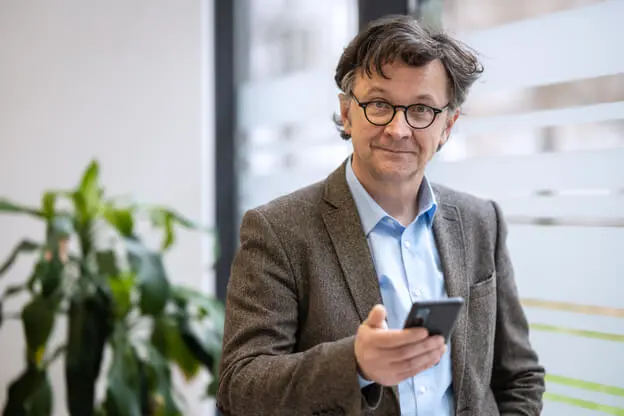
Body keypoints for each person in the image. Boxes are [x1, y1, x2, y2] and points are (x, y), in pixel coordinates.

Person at [216, 15, 545, 416]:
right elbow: (240, 386)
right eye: (379, 104)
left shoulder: (481, 222)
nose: (398, 128)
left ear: (447, 125)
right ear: (347, 110)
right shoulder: (279, 230)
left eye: (422, 109)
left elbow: (520, 377)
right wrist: (354, 364)